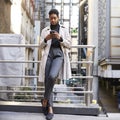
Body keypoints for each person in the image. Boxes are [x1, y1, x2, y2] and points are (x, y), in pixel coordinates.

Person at [39, 8, 72, 120]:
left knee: (52, 76)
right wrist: (46, 39)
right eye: (51, 18)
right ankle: (50, 109)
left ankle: (44, 100)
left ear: (58, 18)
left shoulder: (64, 29)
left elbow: (69, 44)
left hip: (59, 55)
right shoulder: (45, 30)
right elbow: (40, 46)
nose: (52, 20)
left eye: (54, 18)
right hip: (48, 55)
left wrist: (60, 38)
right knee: (47, 80)